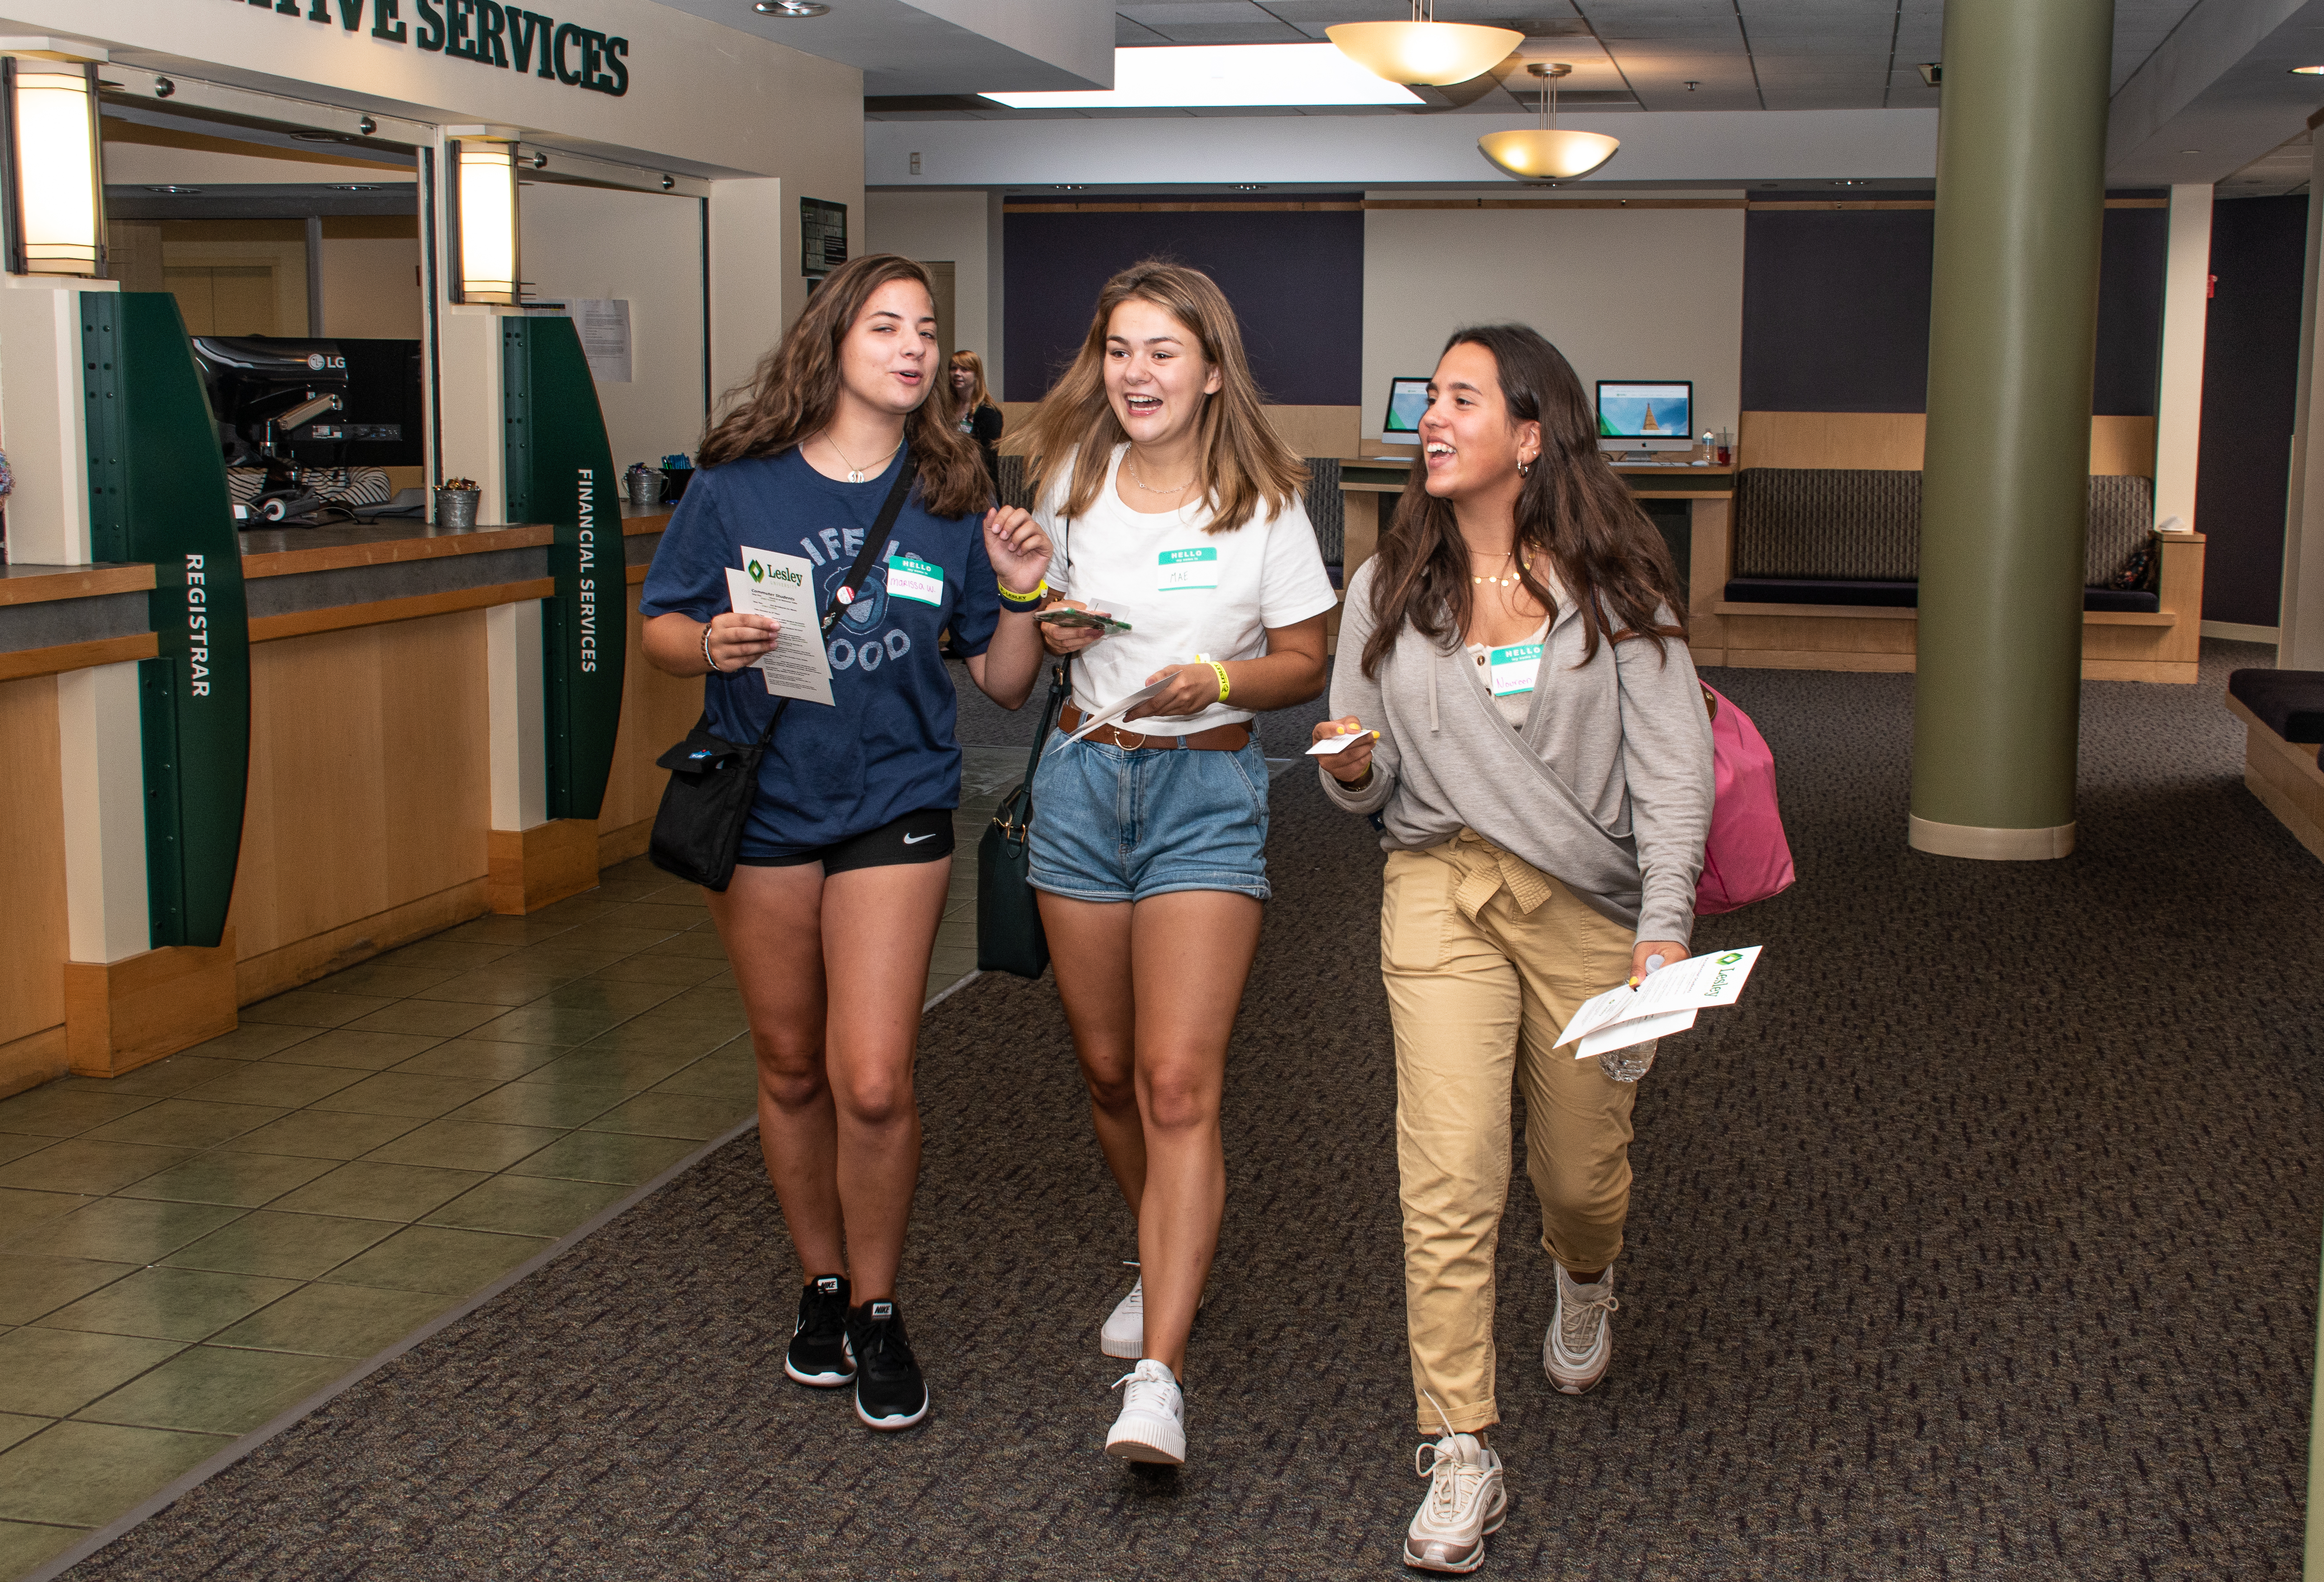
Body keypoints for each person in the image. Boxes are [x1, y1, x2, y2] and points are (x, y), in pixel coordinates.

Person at [1312, 325, 1713, 1572]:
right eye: (1428, 398)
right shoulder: (1387, 589)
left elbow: (1675, 769)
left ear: (1531, 435)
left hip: (1586, 906)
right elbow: (1356, 777)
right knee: (1448, 1172)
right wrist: (1354, 769)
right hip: (1437, 892)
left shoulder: (1617, 588)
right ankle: (1459, 1445)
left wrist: (1663, 928)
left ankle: (1584, 1273)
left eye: (1461, 399)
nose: (1430, 417)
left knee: (1581, 1176)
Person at [637, 253, 1053, 1434]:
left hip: (894, 800)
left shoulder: (951, 492)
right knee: (790, 1064)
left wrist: (1020, 594)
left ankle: (879, 1306)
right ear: (832, 340)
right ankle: (819, 1280)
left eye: (927, 329)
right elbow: (660, 628)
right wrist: (708, 641)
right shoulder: (738, 485)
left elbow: (1009, 686)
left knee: (872, 1077)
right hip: (766, 801)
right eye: (888, 326)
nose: (915, 347)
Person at [1014, 260, 1336, 1467]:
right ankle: (1165, 1252)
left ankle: (1162, 1374)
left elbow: (1305, 659)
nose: (1137, 373)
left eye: (1163, 352)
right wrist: (1044, 619)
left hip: (1205, 788)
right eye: (1119, 350)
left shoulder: (1264, 500)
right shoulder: (1068, 481)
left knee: (1174, 1082)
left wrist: (1219, 678)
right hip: (1082, 784)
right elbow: (1039, 622)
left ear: (1210, 372)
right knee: (1106, 1075)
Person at [951, 349, 1005, 494]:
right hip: (950, 485)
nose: (957, 373)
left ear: (977, 375)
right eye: (953, 368)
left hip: (980, 490)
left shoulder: (989, 413)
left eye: (965, 369)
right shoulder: (946, 410)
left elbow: (985, 458)